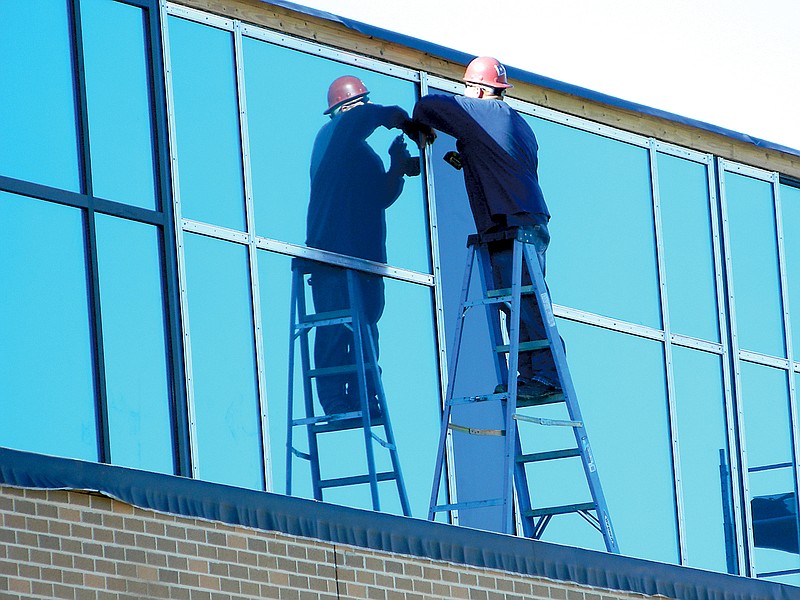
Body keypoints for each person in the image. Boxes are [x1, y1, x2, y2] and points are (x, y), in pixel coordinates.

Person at [410, 56, 562, 401]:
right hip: (525, 220)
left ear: (478, 90)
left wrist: (424, 127)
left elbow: (428, 105)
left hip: (512, 223)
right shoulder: (516, 124)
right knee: (519, 300)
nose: (464, 93)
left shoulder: (482, 112)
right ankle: (534, 375)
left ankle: (547, 375)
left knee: (525, 302)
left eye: (466, 88)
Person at [306, 75, 419, 416]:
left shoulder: (358, 150)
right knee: (334, 328)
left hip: (364, 256)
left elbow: (378, 197)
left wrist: (397, 167)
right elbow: (358, 120)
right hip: (334, 254)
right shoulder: (333, 136)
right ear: (342, 110)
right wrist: (393, 115)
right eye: (360, 105)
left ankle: (363, 396)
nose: (364, 110)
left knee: (365, 330)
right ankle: (335, 400)